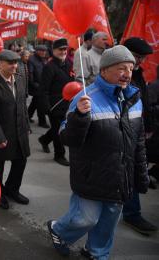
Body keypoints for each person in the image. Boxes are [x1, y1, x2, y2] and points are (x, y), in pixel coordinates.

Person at [47, 45, 149, 259]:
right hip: (91, 175)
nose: (127, 74)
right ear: (104, 71)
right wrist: (80, 118)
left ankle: (96, 253)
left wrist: (141, 174)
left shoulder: (135, 99)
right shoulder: (86, 98)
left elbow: (138, 142)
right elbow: (67, 137)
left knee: (108, 221)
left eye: (130, 68)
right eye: (121, 68)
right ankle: (59, 230)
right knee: (86, 218)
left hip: (121, 177)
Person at [0, 50, 31, 210]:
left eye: (16, 62)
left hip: (20, 132)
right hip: (2, 134)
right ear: (0, 63)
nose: (14, 66)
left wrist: (27, 126)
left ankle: (12, 189)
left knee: (20, 162)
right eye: (10, 63)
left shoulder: (20, 80)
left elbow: (23, 105)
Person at [121, 37, 158, 235]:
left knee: (135, 169)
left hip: (138, 129)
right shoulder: (118, 75)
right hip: (122, 131)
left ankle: (130, 211)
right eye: (137, 57)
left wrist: (148, 126)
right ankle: (131, 213)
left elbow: (144, 102)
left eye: (142, 58)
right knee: (127, 171)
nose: (140, 61)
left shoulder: (139, 74)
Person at [38, 38, 74, 166]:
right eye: (60, 49)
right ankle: (59, 155)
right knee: (59, 130)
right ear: (53, 50)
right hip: (54, 105)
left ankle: (44, 139)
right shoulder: (49, 67)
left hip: (67, 103)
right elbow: (43, 89)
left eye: (65, 49)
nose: (63, 51)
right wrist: (47, 107)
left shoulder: (70, 64)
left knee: (57, 128)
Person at [28, 44, 49, 128]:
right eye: (42, 51)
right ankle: (42, 121)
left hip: (42, 84)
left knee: (35, 102)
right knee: (41, 104)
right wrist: (35, 85)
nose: (44, 52)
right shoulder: (32, 60)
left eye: (45, 51)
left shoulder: (43, 59)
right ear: (37, 51)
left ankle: (27, 116)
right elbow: (30, 74)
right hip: (37, 86)